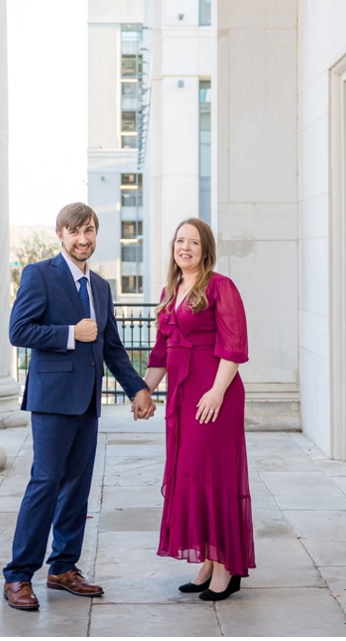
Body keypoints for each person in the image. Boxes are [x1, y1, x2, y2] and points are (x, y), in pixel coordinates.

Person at [3, 203, 156, 611]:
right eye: (74, 232)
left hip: (87, 403)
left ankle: (63, 568)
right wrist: (70, 333)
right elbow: (18, 330)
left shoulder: (101, 288)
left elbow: (112, 348)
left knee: (77, 488)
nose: (83, 238)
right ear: (60, 234)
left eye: (89, 230)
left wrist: (138, 388)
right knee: (45, 484)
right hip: (52, 402)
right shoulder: (40, 275)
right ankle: (18, 575)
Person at [141, 217, 255, 601]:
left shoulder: (220, 287)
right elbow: (160, 352)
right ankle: (208, 559)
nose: (184, 247)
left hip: (213, 394)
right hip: (182, 395)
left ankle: (226, 567)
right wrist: (145, 392)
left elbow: (234, 345)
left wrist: (216, 392)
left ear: (205, 249)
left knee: (215, 475)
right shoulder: (170, 290)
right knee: (191, 475)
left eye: (193, 242)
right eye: (179, 241)